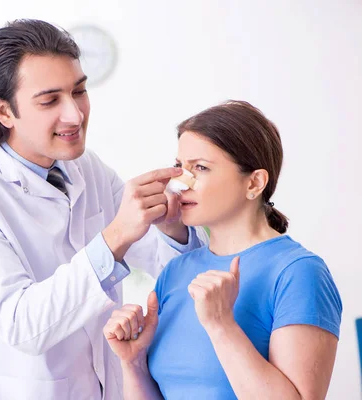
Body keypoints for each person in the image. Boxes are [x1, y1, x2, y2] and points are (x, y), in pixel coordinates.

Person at [0, 19, 208, 399]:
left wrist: (173, 228)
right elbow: (22, 324)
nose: (75, 115)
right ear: (3, 111)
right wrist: (115, 236)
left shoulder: (88, 170)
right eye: (50, 100)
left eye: (79, 92)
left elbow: (168, 270)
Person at [104, 100, 342, 399]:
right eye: (179, 167)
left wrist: (221, 326)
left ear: (254, 183)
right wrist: (133, 361)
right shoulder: (177, 270)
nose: (179, 184)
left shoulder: (299, 272)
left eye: (200, 168)